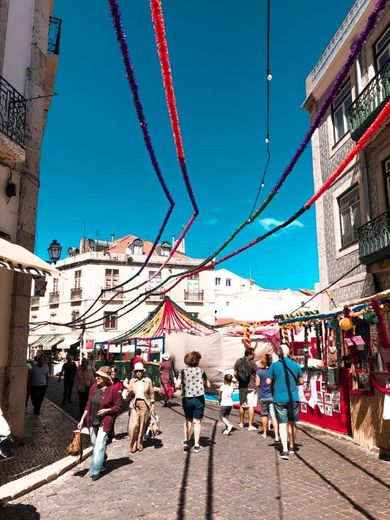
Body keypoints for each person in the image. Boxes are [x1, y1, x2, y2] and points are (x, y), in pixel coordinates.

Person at [77, 366, 121, 481]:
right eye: (96, 376)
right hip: (92, 421)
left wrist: (107, 410)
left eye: (99, 376)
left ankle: (96, 471)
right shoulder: (93, 388)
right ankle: (102, 458)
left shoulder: (113, 390)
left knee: (98, 447)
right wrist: (82, 420)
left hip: (104, 422)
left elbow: (117, 406)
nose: (96, 378)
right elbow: (88, 405)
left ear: (105, 378)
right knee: (95, 445)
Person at [266, 345, 303, 460]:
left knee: (282, 424)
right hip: (294, 398)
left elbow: (268, 382)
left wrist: (275, 381)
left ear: (279, 353)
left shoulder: (274, 366)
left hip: (279, 398)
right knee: (292, 422)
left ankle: (285, 450)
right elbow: (301, 381)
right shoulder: (296, 365)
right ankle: (292, 446)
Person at [177, 351, 210, 453]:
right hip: (198, 399)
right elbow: (208, 385)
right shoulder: (201, 371)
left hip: (186, 399)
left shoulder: (182, 371)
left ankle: (186, 441)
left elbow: (177, 385)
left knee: (188, 420)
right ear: (197, 361)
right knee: (197, 422)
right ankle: (196, 445)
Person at [127, 362, 155, 453]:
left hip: (145, 404)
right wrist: (129, 392)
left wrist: (152, 407)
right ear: (134, 372)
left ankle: (139, 443)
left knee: (142, 425)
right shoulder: (132, 381)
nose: (138, 372)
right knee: (134, 425)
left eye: (140, 371)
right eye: (136, 371)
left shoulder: (148, 381)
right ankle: (133, 444)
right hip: (134, 404)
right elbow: (128, 396)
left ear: (143, 372)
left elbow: (151, 394)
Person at [255, 354, 279, 441]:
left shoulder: (259, 372)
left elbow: (257, 384)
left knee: (264, 415)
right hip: (272, 396)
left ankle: (265, 433)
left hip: (263, 396)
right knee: (273, 416)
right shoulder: (273, 371)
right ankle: (276, 435)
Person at [234, 347, 258, 430]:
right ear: (250, 354)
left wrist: (240, 380)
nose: (254, 355)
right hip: (251, 386)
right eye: (253, 353)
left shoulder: (238, 361)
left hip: (242, 386)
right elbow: (256, 374)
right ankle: (250, 425)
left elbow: (235, 374)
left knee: (242, 405)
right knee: (251, 406)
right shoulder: (252, 363)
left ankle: (241, 423)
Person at [108, 366, 123, 443]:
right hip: (108, 403)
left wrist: (120, 391)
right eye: (112, 372)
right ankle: (109, 435)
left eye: (115, 372)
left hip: (115, 404)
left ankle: (111, 435)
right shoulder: (107, 381)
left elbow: (120, 388)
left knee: (113, 419)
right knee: (109, 419)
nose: (114, 373)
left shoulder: (118, 381)